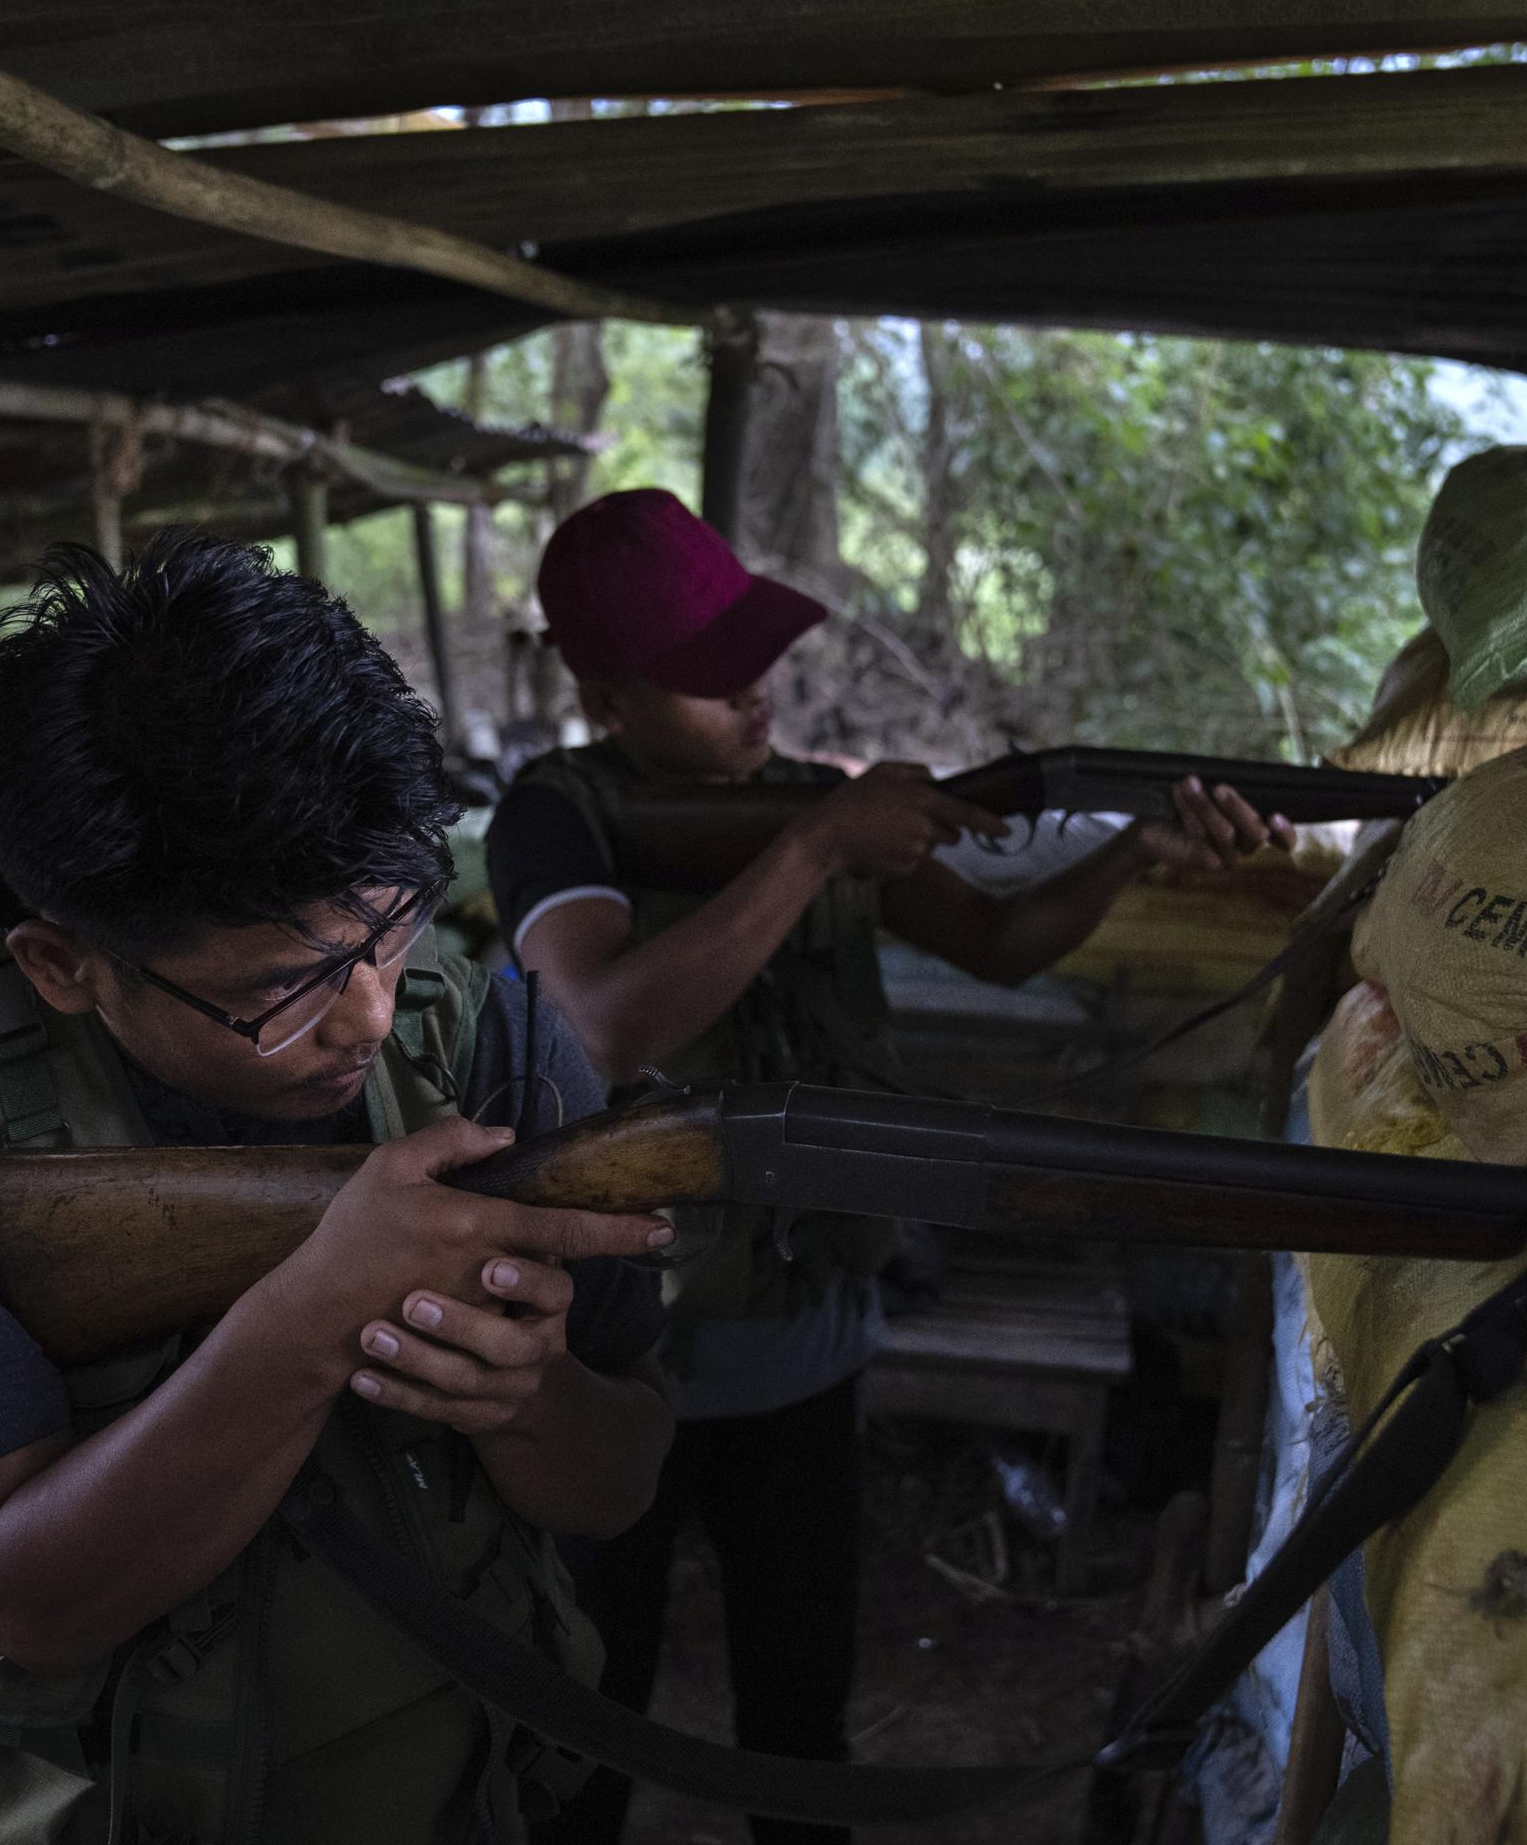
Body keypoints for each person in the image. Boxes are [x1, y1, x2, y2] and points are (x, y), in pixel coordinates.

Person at [0, 530, 679, 1845]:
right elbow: (33, 1602)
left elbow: (620, 1484)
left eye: (393, 926)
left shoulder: (494, 1043)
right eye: (282, 990)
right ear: (64, 965)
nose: (369, 1015)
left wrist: (528, 1398)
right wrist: (316, 1310)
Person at [493, 488, 1286, 1845]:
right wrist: (813, 848)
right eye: (704, 676)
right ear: (605, 694)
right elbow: (603, 1027)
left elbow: (1000, 943)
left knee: (800, 1720)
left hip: (807, 1339)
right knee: (586, 1714)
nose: (752, 696)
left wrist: (1129, 857)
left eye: (754, 659)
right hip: (617, 1355)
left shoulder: (807, 803)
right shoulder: (555, 818)